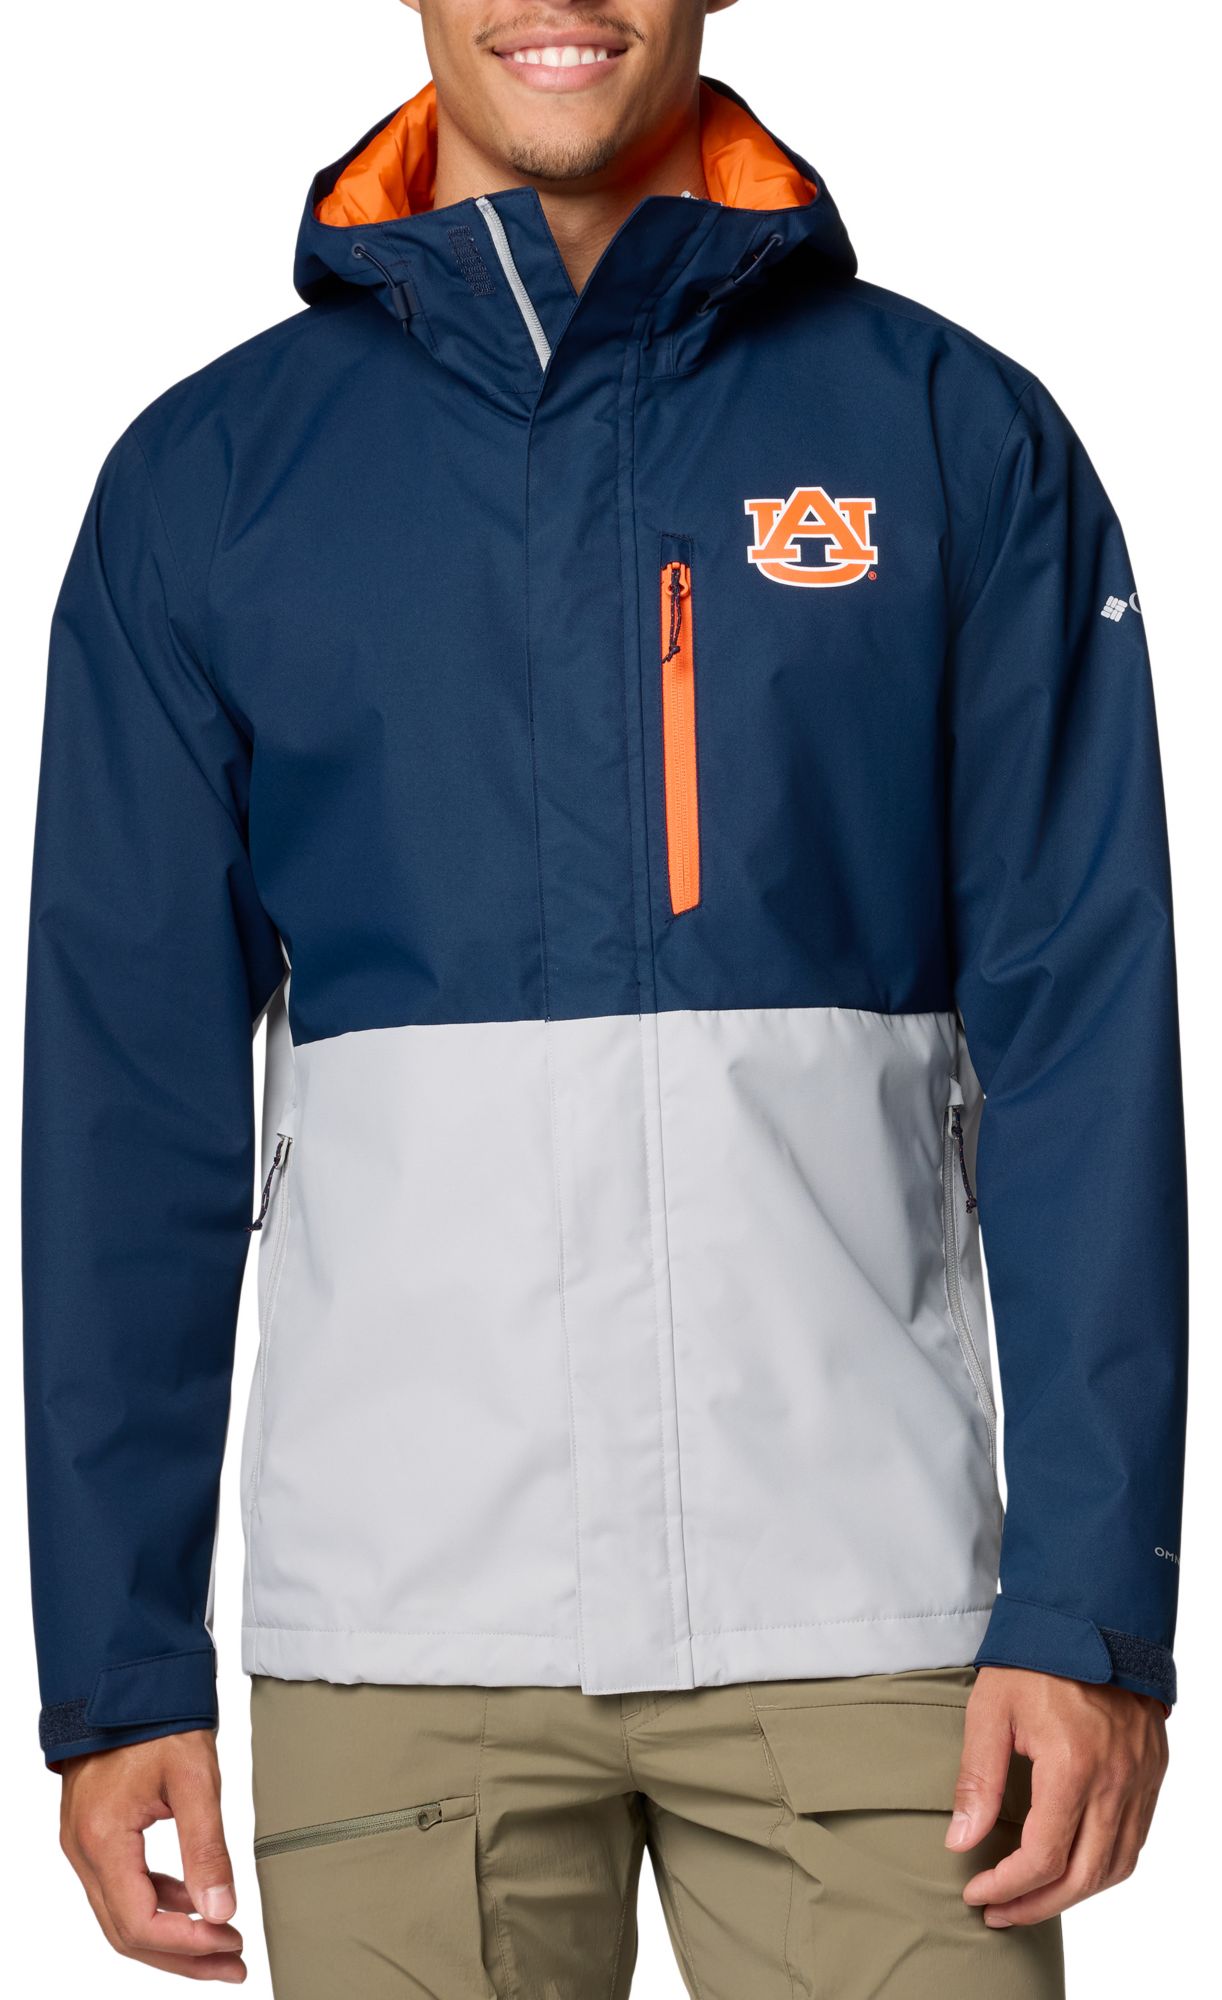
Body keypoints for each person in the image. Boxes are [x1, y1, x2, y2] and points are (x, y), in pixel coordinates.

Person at [24, 2, 1186, 1993]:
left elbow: (1084, 1048)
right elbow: (124, 1110)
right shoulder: (208, 482)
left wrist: (1088, 1605)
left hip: (872, 1621)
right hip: (400, 1636)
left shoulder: (948, 434)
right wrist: (119, 1657)